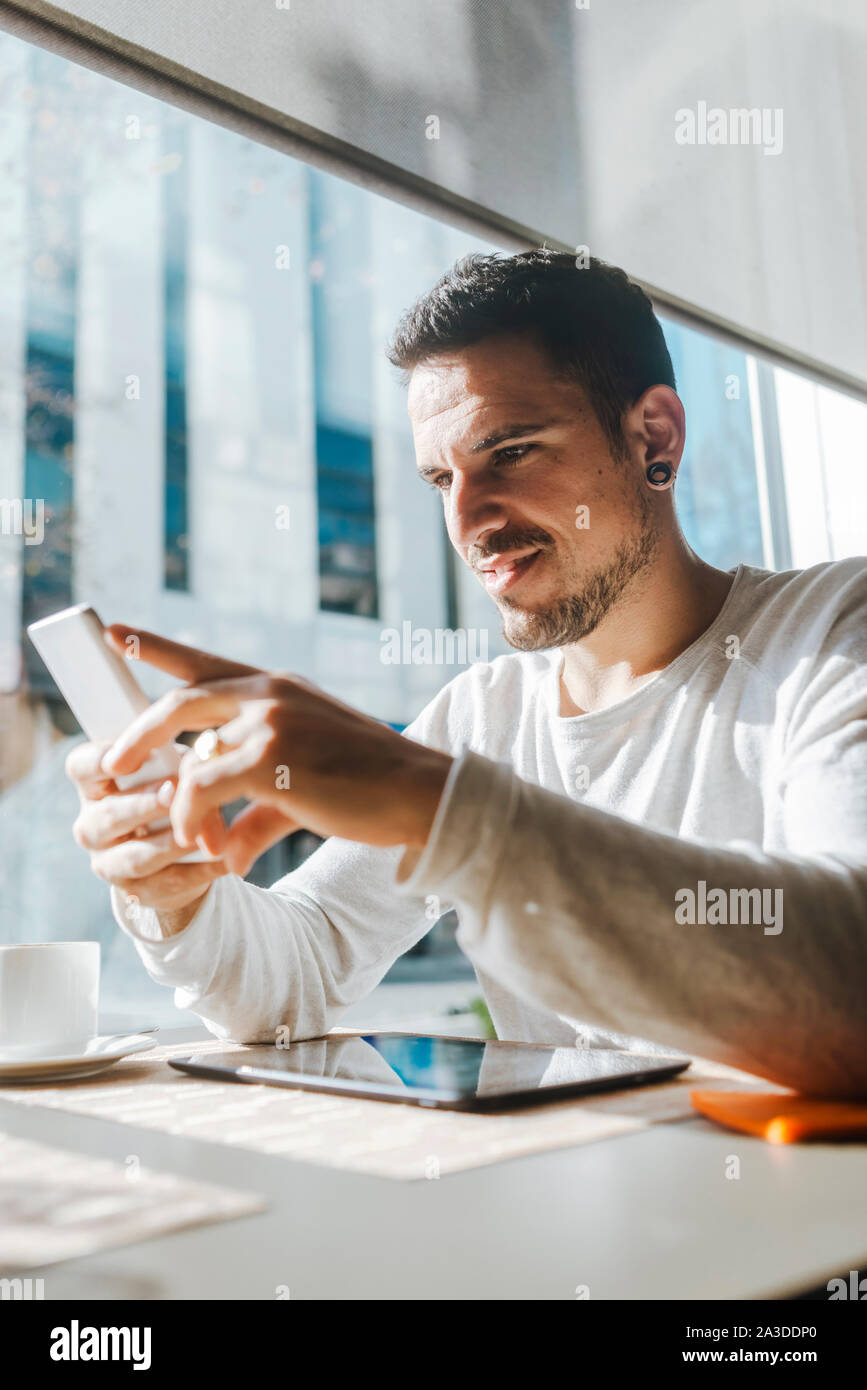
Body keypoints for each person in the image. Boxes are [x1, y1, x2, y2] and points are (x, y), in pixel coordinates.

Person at [66, 250, 867, 1096]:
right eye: (440, 478)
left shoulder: (831, 633)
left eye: (511, 453)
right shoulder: (482, 716)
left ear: (652, 438)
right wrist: (181, 896)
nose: (467, 522)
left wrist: (441, 809)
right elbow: (294, 976)